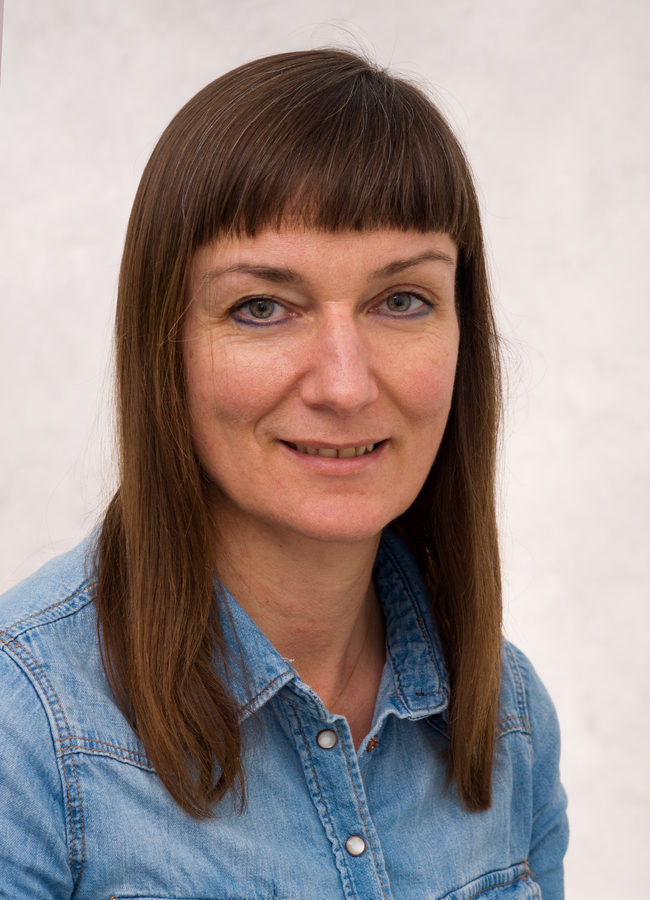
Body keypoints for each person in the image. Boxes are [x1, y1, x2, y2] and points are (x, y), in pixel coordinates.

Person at [0, 48, 568, 898]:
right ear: (166, 346)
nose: (344, 385)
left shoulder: (510, 717)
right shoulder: (24, 727)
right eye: (261, 307)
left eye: (402, 300)